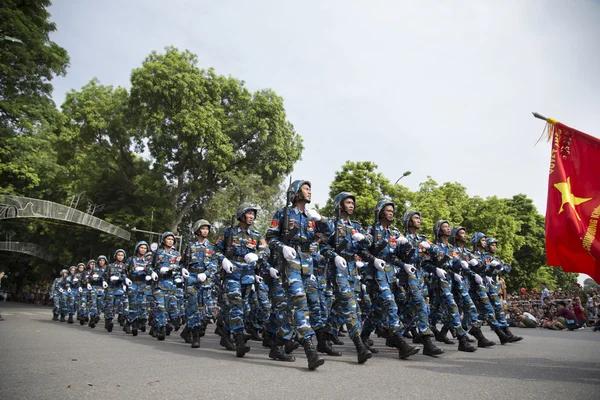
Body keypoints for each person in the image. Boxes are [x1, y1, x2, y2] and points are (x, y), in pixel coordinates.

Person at [266, 180, 330, 369]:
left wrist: (320, 219)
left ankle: (277, 345)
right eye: (306, 189)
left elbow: (331, 233)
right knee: (300, 303)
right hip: (290, 264)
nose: (309, 192)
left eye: (310, 189)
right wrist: (282, 247)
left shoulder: (311, 217)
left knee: (293, 309)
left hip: (307, 265)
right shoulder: (283, 213)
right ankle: (311, 350)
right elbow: (270, 237)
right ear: (295, 193)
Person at [215, 203, 268, 358]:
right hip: (232, 273)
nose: (251, 216)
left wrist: (258, 255)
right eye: (249, 213)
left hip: (248, 276)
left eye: (253, 214)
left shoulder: (257, 235)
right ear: (241, 214)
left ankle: (225, 334)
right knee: (236, 304)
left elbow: (266, 251)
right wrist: (224, 260)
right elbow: (215, 251)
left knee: (242, 308)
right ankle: (239, 341)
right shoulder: (228, 232)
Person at [181, 219, 218, 348]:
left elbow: (214, 264)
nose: (205, 231)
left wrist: (206, 274)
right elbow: (182, 262)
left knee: (205, 310)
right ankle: (195, 336)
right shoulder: (190, 246)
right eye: (203, 228)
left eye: (207, 229)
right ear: (197, 230)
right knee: (193, 307)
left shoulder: (211, 247)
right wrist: (183, 270)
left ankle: (190, 330)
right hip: (192, 278)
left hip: (205, 279)